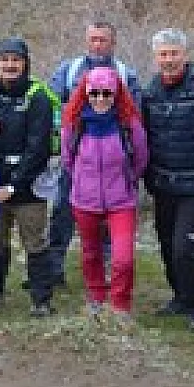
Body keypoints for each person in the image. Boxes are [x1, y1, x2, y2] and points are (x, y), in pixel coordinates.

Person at [141, 29, 194, 329]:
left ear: (185, 55)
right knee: (166, 244)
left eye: (174, 53)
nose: (169, 60)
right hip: (163, 184)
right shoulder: (149, 93)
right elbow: (144, 138)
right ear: (155, 58)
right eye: (163, 54)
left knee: (183, 247)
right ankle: (179, 297)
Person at [46, 20, 141, 287]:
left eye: (103, 40)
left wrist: (132, 165)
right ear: (86, 41)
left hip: (115, 160)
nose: (98, 45)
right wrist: (64, 135)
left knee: (112, 222)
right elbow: (53, 104)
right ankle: (54, 269)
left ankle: (110, 272)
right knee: (62, 213)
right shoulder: (69, 70)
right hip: (77, 158)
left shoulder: (126, 74)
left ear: (114, 43)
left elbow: (135, 115)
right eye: (93, 39)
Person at [62, 67, 148, 320]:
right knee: (90, 253)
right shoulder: (74, 123)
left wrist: (126, 182)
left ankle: (120, 305)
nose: (100, 99)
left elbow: (140, 159)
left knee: (123, 258)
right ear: (86, 94)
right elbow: (68, 160)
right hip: (84, 200)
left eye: (107, 93)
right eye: (94, 93)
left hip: (121, 200)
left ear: (116, 93)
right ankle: (97, 297)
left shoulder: (128, 124)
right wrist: (81, 182)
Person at [0, 37, 55, 316]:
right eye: (4, 60)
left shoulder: (38, 97)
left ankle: (41, 300)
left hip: (29, 185)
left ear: (25, 64)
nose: (10, 65)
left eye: (15, 60)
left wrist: (14, 185)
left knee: (34, 241)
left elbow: (39, 149)